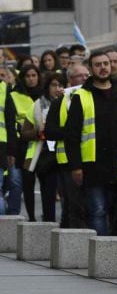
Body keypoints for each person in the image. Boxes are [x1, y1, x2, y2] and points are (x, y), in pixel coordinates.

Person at [63, 50, 117, 236]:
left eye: (106, 64)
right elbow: (72, 135)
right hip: (93, 164)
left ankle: (115, 243)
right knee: (98, 211)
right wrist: (76, 166)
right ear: (91, 69)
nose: (103, 67)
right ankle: (102, 251)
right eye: (98, 64)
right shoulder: (82, 96)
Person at [44, 61, 89, 228]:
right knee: (73, 204)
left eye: (87, 75)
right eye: (80, 75)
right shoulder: (60, 102)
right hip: (67, 161)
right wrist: (72, 132)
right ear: (70, 79)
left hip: (92, 157)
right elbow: (49, 131)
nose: (84, 78)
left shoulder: (93, 98)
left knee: (92, 205)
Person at [6, 64, 42, 219]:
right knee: (25, 181)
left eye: (34, 75)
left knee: (46, 181)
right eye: (28, 76)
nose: (31, 79)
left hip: (43, 144)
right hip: (24, 144)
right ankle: (31, 216)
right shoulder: (14, 95)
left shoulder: (43, 94)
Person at [27, 71, 63, 223]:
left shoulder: (69, 103)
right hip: (45, 155)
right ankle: (48, 223)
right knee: (48, 192)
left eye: (61, 85)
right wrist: (40, 132)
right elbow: (25, 132)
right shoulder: (37, 105)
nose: (57, 88)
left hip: (64, 153)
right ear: (47, 87)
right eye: (54, 85)